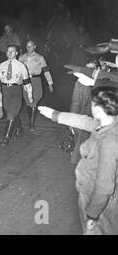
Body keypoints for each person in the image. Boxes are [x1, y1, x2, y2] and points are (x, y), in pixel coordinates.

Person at [39, 86, 118, 234]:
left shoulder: (110, 142)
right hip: (95, 196)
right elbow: (84, 121)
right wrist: (55, 115)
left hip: (98, 202)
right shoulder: (108, 123)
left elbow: (105, 187)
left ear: (99, 109)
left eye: (93, 103)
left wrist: (92, 215)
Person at [0, 45, 33, 146]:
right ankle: (19, 127)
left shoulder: (21, 66)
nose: (9, 53)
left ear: (16, 53)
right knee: (9, 111)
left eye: (12, 51)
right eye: (8, 51)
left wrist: (30, 95)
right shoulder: (2, 65)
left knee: (11, 113)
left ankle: (6, 138)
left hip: (16, 90)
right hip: (5, 90)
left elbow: (26, 82)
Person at [19, 40, 54, 131]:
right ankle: (31, 119)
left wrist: (50, 83)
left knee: (34, 100)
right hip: (25, 81)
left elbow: (46, 70)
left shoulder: (40, 58)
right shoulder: (21, 58)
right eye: (27, 46)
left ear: (35, 47)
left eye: (31, 46)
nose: (29, 48)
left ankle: (31, 124)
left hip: (36, 80)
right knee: (27, 101)